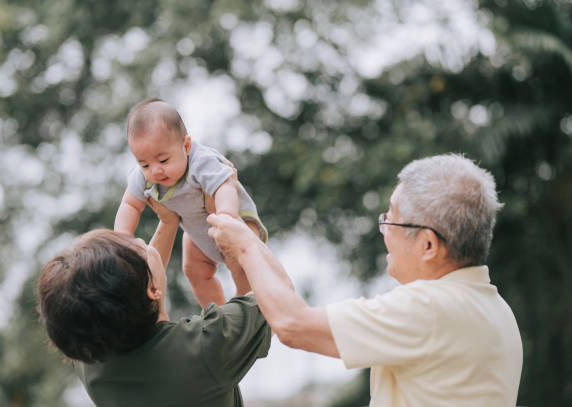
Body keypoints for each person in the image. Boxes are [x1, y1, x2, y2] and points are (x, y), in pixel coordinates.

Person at [207, 153, 523, 407]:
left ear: (428, 245)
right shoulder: (494, 309)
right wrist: (251, 246)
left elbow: (293, 325)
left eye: (391, 219)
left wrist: (246, 246)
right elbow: (290, 310)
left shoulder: (429, 308)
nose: (384, 229)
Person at [38, 199, 272, 407]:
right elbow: (272, 298)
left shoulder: (91, 358)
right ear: (151, 290)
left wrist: (168, 222)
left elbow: (137, 288)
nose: (141, 240)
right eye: (136, 247)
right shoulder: (206, 346)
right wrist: (243, 244)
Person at [114, 98, 267, 307]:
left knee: (240, 263)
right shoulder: (142, 177)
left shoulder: (201, 161)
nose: (155, 171)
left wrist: (226, 218)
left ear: (186, 146)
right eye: (144, 164)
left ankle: (247, 305)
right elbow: (130, 205)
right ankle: (218, 312)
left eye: (164, 160)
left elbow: (225, 186)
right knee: (193, 270)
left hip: (234, 219)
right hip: (196, 231)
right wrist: (122, 240)